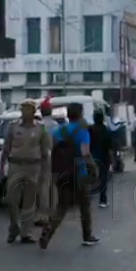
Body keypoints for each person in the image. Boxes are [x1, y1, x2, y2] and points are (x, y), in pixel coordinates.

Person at [41, 103, 99, 249]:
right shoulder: (82, 130)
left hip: (61, 172)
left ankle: (49, 230)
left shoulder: (59, 130)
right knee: (84, 205)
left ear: (68, 115)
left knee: (61, 206)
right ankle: (87, 235)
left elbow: (52, 149)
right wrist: (93, 167)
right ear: (80, 114)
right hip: (79, 172)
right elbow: (85, 153)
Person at [0, 100, 50, 244]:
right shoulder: (13, 127)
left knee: (30, 201)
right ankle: (14, 226)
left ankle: (25, 233)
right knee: (11, 199)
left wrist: (45, 172)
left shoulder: (41, 128)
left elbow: (45, 151)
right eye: (23, 109)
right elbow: (6, 148)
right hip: (16, 165)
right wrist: (2, 167)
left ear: (34, 111)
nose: (25, 112)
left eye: (28, 109)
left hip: (34, 166)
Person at [36, 98, 59, 227]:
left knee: (43, 186)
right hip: (54, 156)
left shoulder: (39, 125)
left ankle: (43, 215)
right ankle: (53, 213)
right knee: (53, 186)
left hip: (42, 157)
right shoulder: (56, 125)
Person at [88, 110, 114, 208]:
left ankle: (88, 198)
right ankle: (102, 200)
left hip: (91, 156)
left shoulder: (90, 129)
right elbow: (110, 146)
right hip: (104, 157)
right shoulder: (105, 130)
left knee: (91, 178)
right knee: (103, 178)